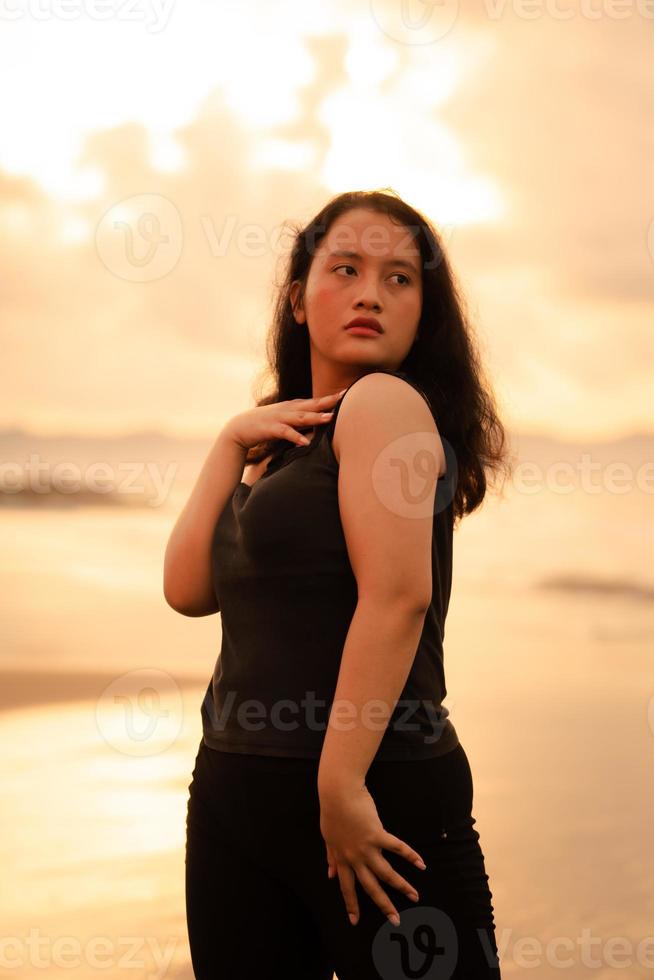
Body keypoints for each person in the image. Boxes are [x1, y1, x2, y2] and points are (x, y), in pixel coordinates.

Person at [164, 188, 512, 979]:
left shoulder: (385, 405)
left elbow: (399, 598)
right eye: (346, 269)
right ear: (297, 298)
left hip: (372, 794)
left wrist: (341, 782)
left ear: (426, 310)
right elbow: (187, 587)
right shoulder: (281, 439)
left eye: (400, 279)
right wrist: (228, 445)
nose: (369, 294)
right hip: (235, 792)